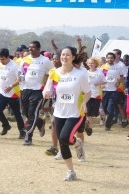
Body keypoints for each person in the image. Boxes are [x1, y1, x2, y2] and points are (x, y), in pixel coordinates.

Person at [43, 46, 91, 181]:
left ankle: (77, 144)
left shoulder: (80, 74)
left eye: (67, 55)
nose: (64, 57)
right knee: (63, 143)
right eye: (62, 55)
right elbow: (47, 90)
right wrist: (46, 93)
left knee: (64, 137)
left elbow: (88, 92)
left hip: (75, 113)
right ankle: (71, 171)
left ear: (73, 57)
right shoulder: (54, 73)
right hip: (59, 112)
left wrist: (84, 102)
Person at [19, 40, 53, 145]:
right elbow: (21, 73)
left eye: (33, 47)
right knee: (25, 112)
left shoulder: (45, 61)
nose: (30, 49)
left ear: (38, 49)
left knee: (32, 113)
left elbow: (51, 75)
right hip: (25, 89)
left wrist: (47, 88)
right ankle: (39, 122)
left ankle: (28, 136)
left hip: (38, 90)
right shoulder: (24, 60)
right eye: (29, 47)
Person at [0, 48, 25, 138]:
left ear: (8, 57)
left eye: (3, 59)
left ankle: (22, 131)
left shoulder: (15, 66)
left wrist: (11, 86)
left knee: (17, 114)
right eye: (0, 59)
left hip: (13, 93)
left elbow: (20, 79)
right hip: (2, 92)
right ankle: (6, 125)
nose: (1, 61)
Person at [101, 52, 123, 131]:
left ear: (114, 59)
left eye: (111, 58)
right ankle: (111, 116)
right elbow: (100, 77)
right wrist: (101, 84)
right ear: (106, 58)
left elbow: (122, 76)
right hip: (104, 90)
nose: (110, 59)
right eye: (108, 58)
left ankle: (108, 125)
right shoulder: (102, 67)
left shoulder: (118, 67)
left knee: (110, 108)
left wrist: (119, 82)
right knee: (104, 107)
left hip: (114, 90)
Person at [86, 57, 106, 135]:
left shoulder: (99, 72)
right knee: (88, 111)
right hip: (88, 94)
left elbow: (105, 81)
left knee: (95, 112)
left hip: (96, 94)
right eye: (89, 63)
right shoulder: (86, 72)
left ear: (96, 64)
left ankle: (102, 115)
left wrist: (98, 84)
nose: (90, 65)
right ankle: (90, 126)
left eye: (92, 63)